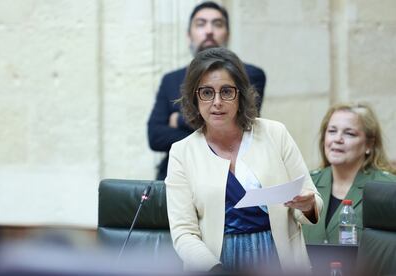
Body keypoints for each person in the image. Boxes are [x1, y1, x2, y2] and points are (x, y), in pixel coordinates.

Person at [165, 47, 322, 274]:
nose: (217, 102)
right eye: (207, 93)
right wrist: (212, 268)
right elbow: (183, 232)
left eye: (226, 91)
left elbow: (311, 200)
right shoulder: (182, 152)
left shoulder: (275, 133)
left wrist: (307, 205)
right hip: (216, 263)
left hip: (279, 260)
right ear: (194, 98)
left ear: (241, 95)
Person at [148, 1, 266, 180]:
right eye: (201, 24)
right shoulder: (171, 80)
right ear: (189, 35)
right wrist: (216, 130)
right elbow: (156, 136)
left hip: (231, 175)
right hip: (177, 175)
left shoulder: (249, 75)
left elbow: (242, 124)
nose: (209, 30)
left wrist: (179, 120)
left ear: (227, 34)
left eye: (217, 24)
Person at [302, 103, 396, 244]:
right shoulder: (307, 183)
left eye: (349, 133)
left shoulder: (388, 188)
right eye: (332, 131)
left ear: (369, 145)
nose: (337, 139)